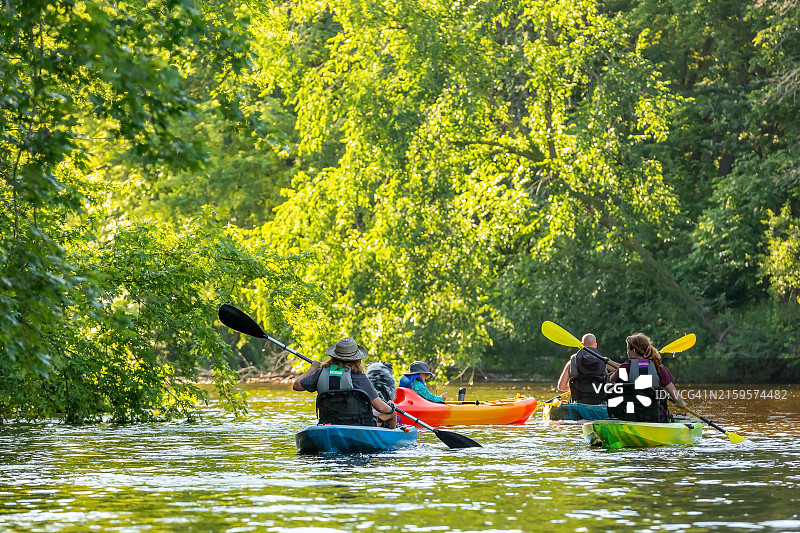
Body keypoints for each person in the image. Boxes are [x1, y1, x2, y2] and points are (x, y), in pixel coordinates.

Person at [293, 337, 397, 428]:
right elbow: (380, 407)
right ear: (356, 360)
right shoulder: (360, 378)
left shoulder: (320, 374)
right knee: (391, 412)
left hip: (328, 423)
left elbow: (296, 385)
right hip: (358, 425)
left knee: (380, 412)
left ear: (333, 357)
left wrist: (313, 368)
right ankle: (391, 433)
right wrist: (391, 407)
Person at [611, 333, 687, 422]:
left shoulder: (623, 368)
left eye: (628, 349)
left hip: (630, 418)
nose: (627, 352)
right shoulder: (660, 368)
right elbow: (676, 397)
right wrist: (681, 404)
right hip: (656, 419)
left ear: (634, 351)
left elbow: (610, 381)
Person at [557, 333, 614, 405]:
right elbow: (623, 369)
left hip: (579, 403)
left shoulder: (572, 362)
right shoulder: (603, 361)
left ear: (582, 345)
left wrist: (575, 386)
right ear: (595, 345)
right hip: (599, 403)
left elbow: (561, 387)